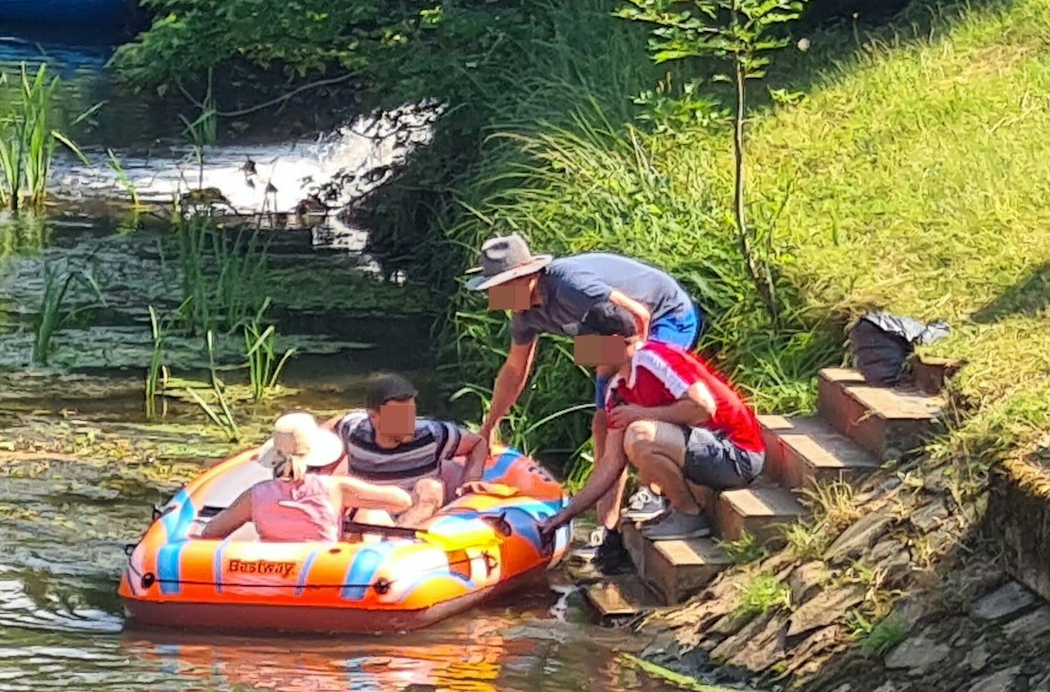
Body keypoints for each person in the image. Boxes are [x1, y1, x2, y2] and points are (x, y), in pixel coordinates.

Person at [467, 233, 700, 536]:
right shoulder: (524, 315)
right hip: (612, 339)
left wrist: (636, 373)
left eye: (499, 288)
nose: (495, 297)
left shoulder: (570, 285)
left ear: (526, 277)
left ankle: (651, 491)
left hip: (664, 317)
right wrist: (489, 427)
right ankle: (606, 530)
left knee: (638, 408)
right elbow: (514, 370)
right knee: (603, 424)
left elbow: (639, 314)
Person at [538, 303, 766, 562]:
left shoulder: (652, 358)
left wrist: (643, 414)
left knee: (639, 434)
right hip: (701, 454)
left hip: (737, 454)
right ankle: (681, 509)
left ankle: (688, 513)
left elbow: (703, 407)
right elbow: (610, 464)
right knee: (634, 435)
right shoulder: (616, 389)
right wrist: (565, 515)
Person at [196, 412, 412, 543]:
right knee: (372, 514)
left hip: (270, 575)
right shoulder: (336, 487)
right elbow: (402, 501)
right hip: (323, 572)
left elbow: (211, 531)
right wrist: (355, 502)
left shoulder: (256, 494)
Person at [329, 374, 487, 528]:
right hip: (372, 508)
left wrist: (470, 481)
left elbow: (477, 443)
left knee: (430, 487)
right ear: (374, 417)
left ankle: (404, 542)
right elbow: (326, 430)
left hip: (416, 512)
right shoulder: (354, 430)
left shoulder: (431, 435)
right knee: (370, 514)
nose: (408, 423)